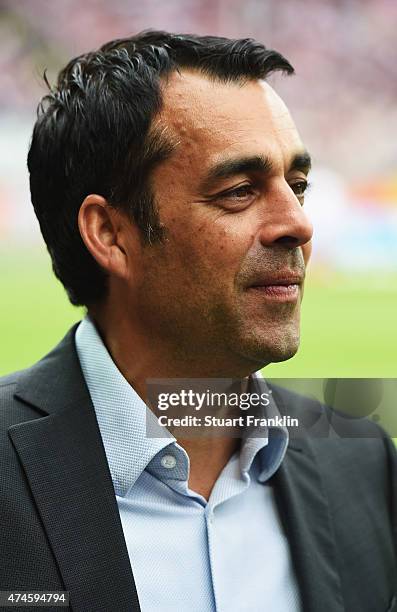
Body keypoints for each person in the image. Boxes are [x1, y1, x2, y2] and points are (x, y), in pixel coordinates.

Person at [0, 31, 396, 612]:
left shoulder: (364, 467)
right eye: (239, 191)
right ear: (110, 234)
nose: (299, 224)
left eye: (299, 185)